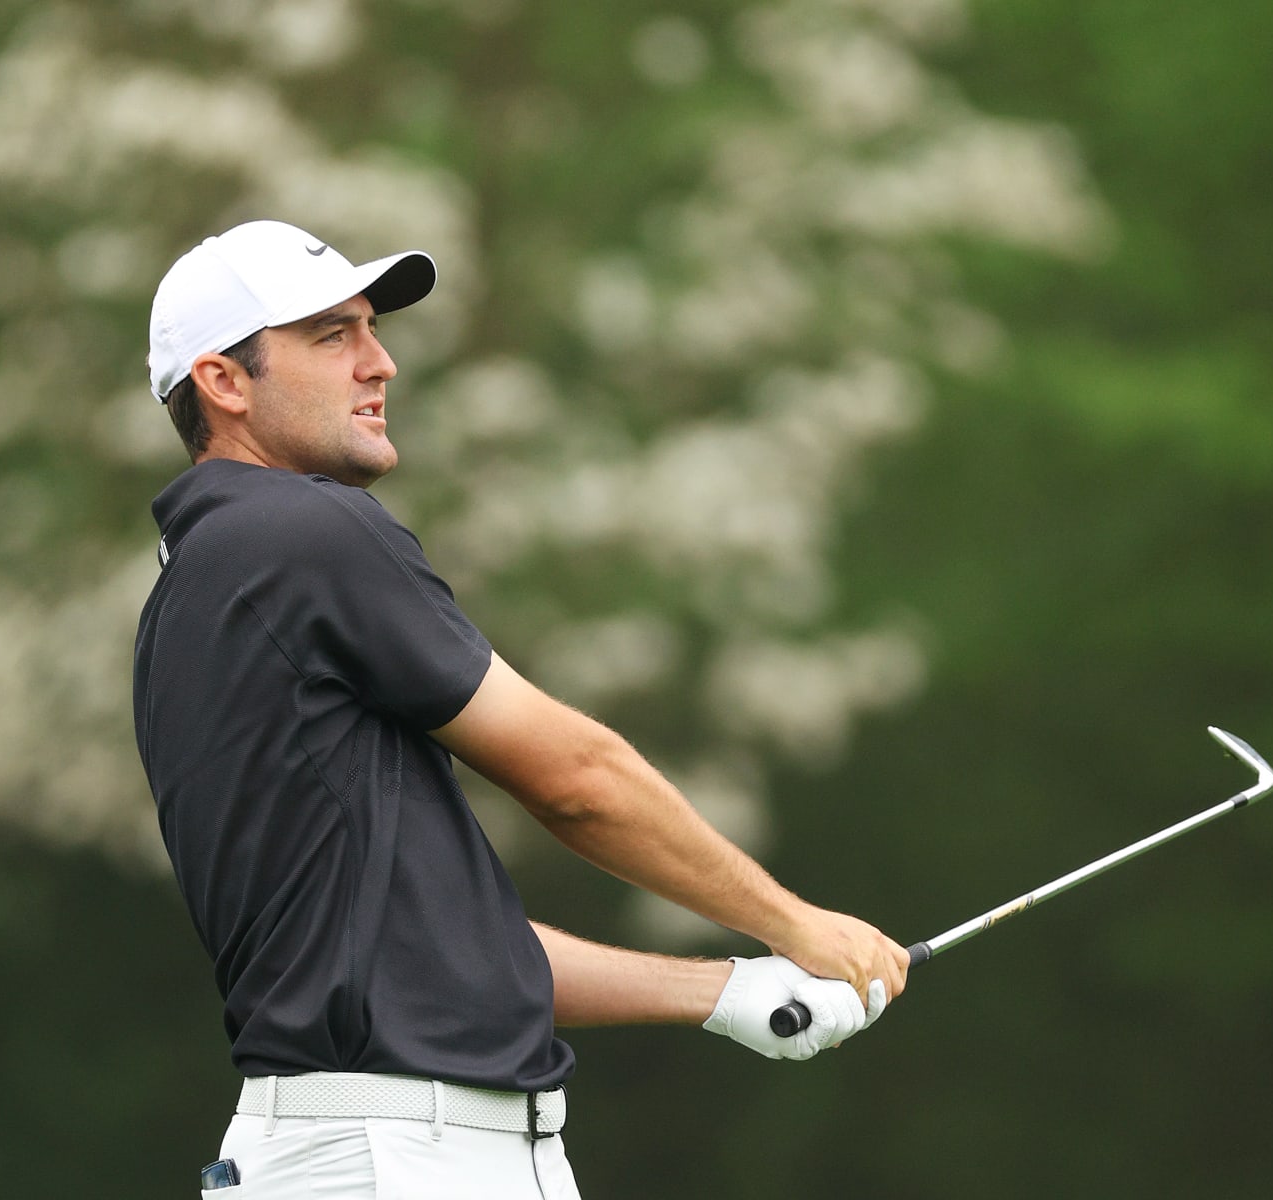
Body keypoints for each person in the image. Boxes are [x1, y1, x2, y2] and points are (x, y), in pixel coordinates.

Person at [133, 220, 909, 1199]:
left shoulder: (200, 586)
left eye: (371, 330)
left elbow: (443, 945)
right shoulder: (299, 533)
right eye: (333, 337)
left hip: (370, 1151)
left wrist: (726, 991)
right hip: (397, 1157)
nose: (381, 363)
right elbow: (575, 779)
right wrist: (795, 924)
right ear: (224, 383)